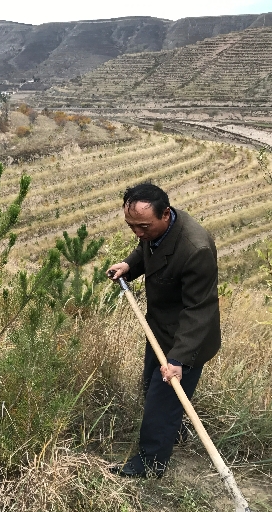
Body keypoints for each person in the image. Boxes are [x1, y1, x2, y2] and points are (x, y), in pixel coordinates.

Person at [106, 183, 220, 478]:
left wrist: (179, 359)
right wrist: (129, 266)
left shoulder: (196, 249)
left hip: (188, 339)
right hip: (160, 328)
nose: (138, 233)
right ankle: (173, 430)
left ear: (165, 214)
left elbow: (199, 310)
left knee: (162, 398)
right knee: (151, 386)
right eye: (132, 226)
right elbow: (147, 250)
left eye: (143, 226)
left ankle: (151, 464)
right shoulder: (155, 230)